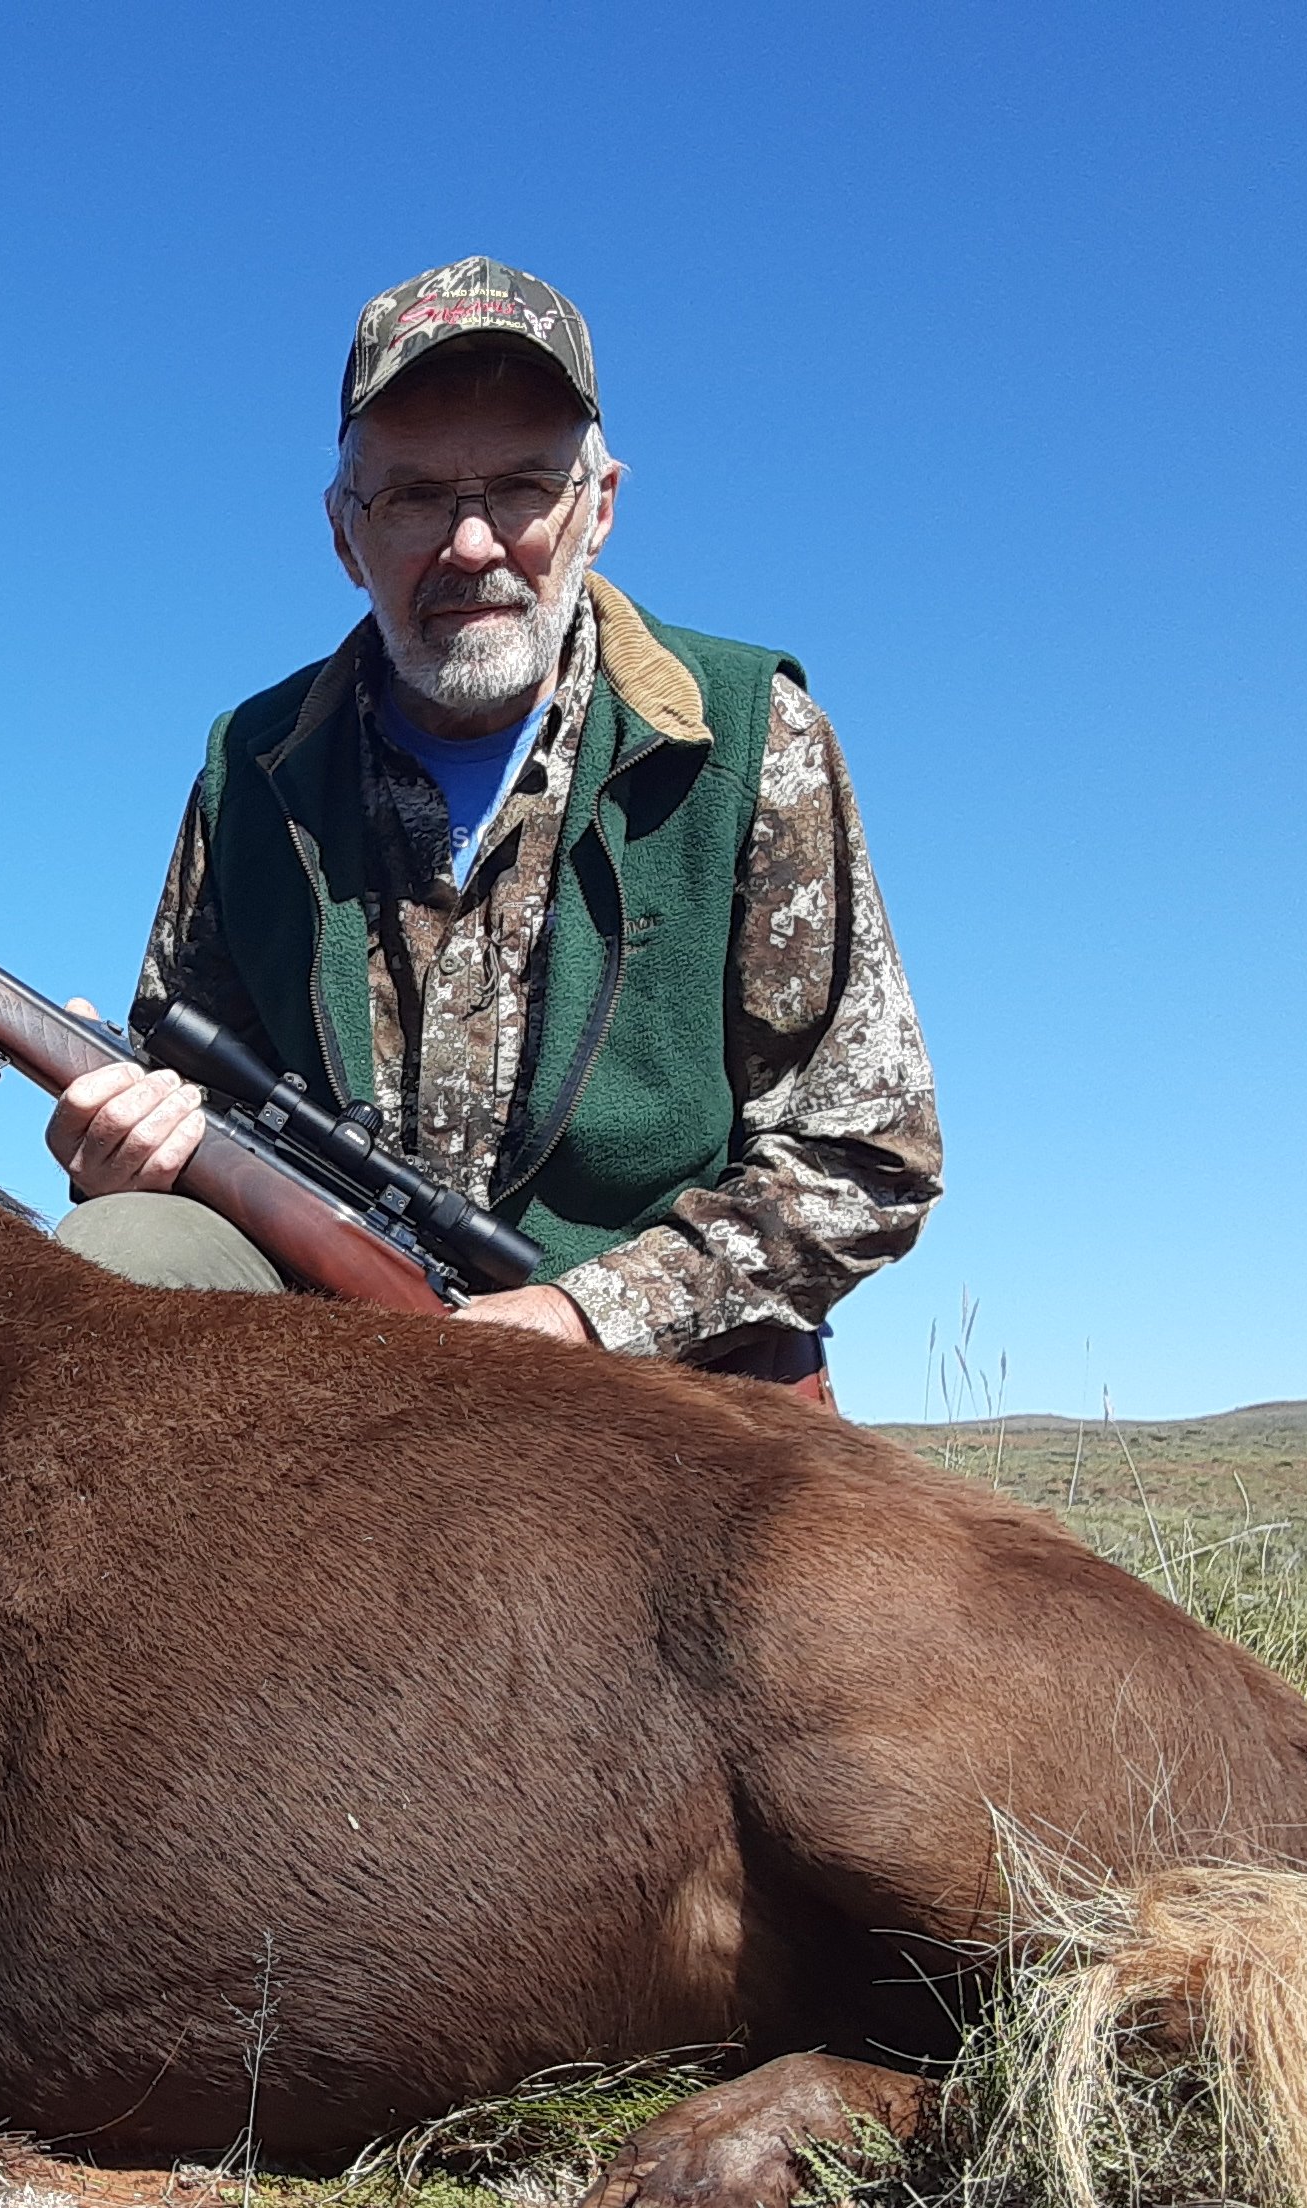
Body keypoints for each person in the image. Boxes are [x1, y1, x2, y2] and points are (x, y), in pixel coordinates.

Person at [47, 258, 940, 1397]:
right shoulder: (255, 763)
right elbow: (198, 1091)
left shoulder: (754, 735)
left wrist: (580, 1314)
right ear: (343, 532)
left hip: (662, 1379)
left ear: (599, 507)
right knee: (119, 1255)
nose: (470, 546)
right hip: (335, 1347)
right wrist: (124, 1152)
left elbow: (866, 1156)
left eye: (521, 488)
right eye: (414, 496)